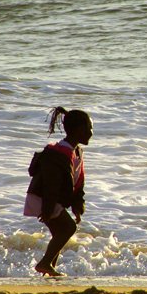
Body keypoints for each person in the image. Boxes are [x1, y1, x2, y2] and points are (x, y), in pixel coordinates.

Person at [24, 106, 91, 277]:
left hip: (51, 199)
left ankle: (48, 270)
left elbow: (78, 183)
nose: (91, 133)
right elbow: (50, 184)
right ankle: (44, 264)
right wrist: (47, 209)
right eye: (89, 128)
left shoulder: (77, 152)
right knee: (68, 228)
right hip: (43, 197)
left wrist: (77, 207)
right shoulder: (58, 154)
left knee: (59, 234)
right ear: (78, 130)